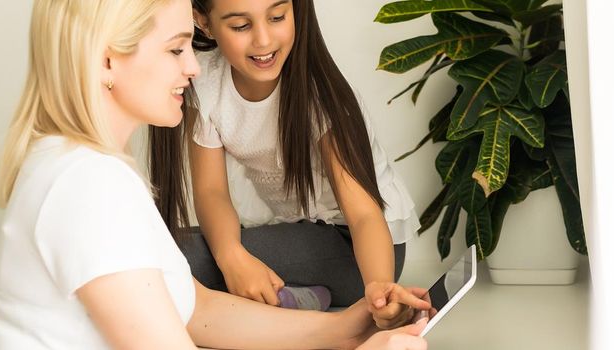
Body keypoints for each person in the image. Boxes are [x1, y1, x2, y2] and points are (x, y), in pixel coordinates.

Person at [0, 0, 428, 348]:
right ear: (106, 61)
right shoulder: (90, 186)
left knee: (189, 264)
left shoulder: (85, 171)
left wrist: (345, 332)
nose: (195, 67)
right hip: (302, 236)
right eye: (175, 48)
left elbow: (194, 308)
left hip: (345, 240)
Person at [147, 0, 422, 317]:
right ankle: (300, 298)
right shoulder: (205, 78)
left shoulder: (320, 97)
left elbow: (363, 215)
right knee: (163, 241)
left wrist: (379, 288)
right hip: (298, 229)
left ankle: (306, 293)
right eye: (241, 26)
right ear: (204, 22)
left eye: (277, 17)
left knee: (179, 257)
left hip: (362, 251)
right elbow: (212, 192)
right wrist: (232, 255)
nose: (263, 40)